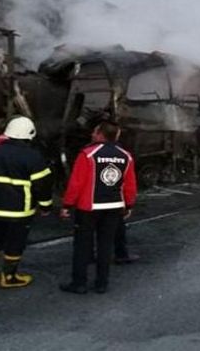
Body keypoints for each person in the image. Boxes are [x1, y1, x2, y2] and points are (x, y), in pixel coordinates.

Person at [0, 116, 53, 289]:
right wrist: (46, 206)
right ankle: (8, 276)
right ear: (29, 135)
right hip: (19, 211)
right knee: (15, 242)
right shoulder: (33, 156)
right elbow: (43, 185)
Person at [59, 120, 137, 294]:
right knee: (105, 245)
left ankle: (79, 283)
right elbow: (130, 185)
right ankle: (102, 283)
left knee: (82, 245)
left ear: (101, 134)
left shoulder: (87, 154)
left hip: (88, 208)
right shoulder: (126, 156)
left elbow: (76, 183)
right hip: (114, 207)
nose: (91, 134)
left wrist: (67, 205)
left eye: (94, 132)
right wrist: (129, 204)